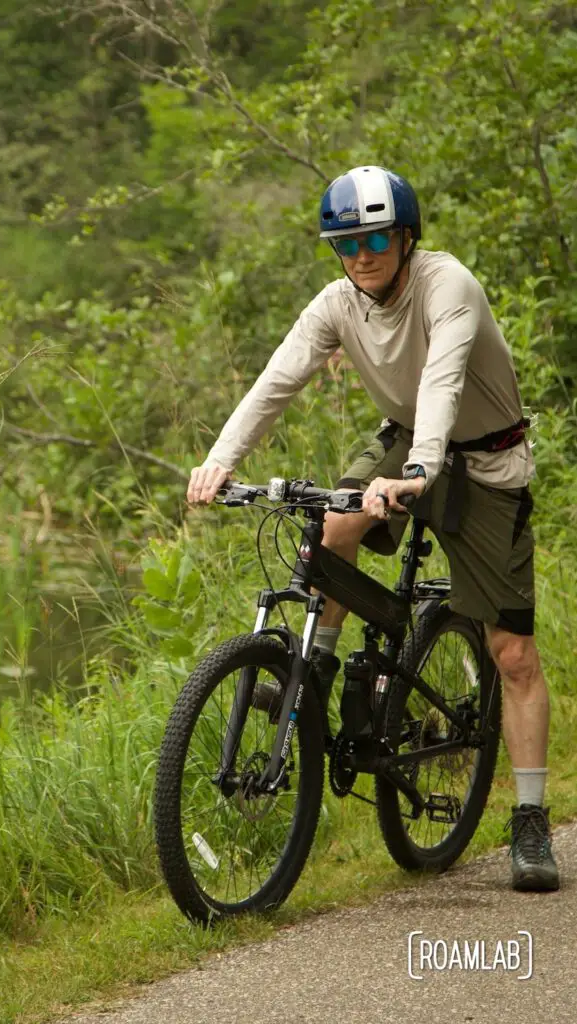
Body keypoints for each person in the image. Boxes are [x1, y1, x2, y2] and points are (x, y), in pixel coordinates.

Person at [186, 165, 559, 892]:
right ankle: (314, 674)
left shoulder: (447, 285)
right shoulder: (336, 304)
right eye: (345, 242)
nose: (361, 254)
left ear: (406, 234)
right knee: (329, 528)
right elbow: (276, 382)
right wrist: (218, 462)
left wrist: (418, 473)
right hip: (408, 438)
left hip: (484, 459)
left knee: (511, 651)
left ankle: (528, 819)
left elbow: (443, 380)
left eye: (376, 237)